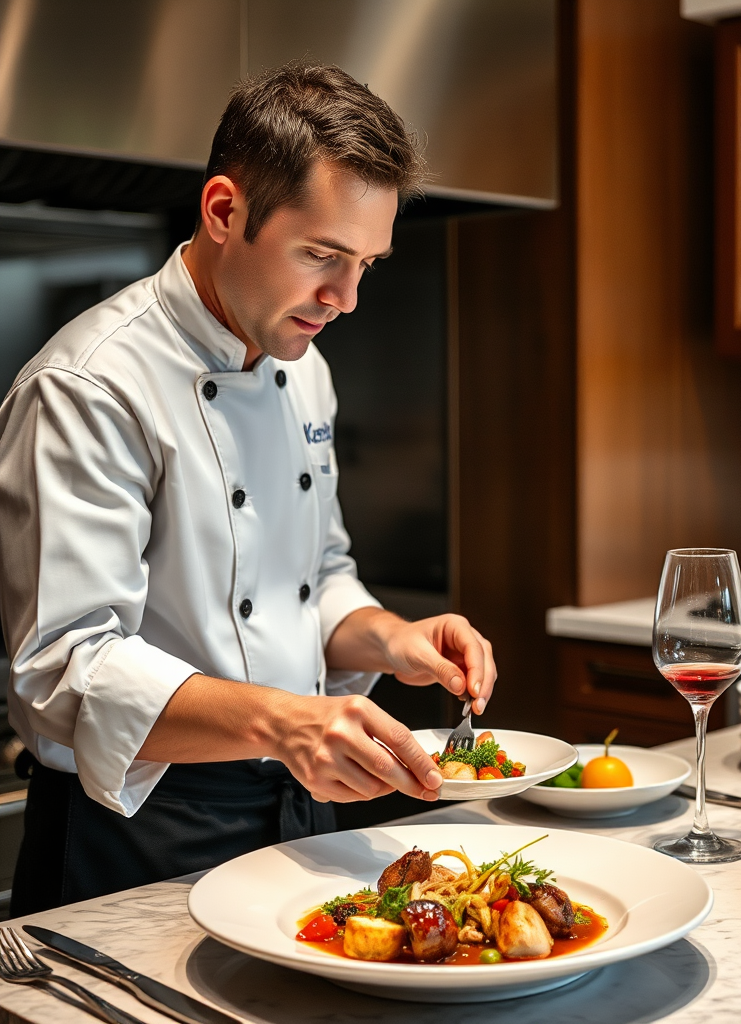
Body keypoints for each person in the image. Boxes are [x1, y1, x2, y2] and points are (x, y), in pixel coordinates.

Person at [0, 64, 496, 916]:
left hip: (298, 810)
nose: (345, 299)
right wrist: (286, 722)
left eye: (366, 264)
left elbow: (313, 577)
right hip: (136, 826)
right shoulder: (90, 388)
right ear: (225, 211)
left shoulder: (304, 367)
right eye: (322, 255)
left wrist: (389, 637)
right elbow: (64, 669)